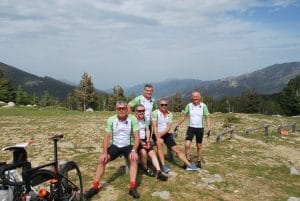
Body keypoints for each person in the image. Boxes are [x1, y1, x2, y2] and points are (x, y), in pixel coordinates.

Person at [85, 101, 141, 199]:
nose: (121, 110)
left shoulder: (132, 119)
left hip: (128, 145)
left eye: (123, 108)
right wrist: (104, 152)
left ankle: (132, 188)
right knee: (102, 160)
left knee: (134, 160)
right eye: (119, 109)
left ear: (127, 109)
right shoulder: (111, 119)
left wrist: (134, 151)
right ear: (116, 110)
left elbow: (137, 137)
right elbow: (106, 137)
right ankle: (95, 187)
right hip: (115, 146)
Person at [151, 98, 198, 173]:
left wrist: (162, 134)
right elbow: (154, 126)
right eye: (162, 105)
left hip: (166, 134)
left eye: (165, 105)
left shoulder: (170, 114)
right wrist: (157, 137)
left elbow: (168, 127)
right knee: (160, 145)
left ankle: (189, 165)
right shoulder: (155, 113)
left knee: (177, 149)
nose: (164, 106)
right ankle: (163, 166)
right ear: (159, 106)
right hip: (156, 133)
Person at [174, 90, 212, 168]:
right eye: (193, 96)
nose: (195, 98)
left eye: (196, 96)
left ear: (199, 97)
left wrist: (209, 128)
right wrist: (177, 125)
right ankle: (187, 161)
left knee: (199, 145)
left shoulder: (203, 106)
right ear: (191, 97)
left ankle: (198, 161)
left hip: (200, 128)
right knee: (187, 144)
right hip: (191, 128)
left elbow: (207, 117)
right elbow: (184, 116)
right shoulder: (189, 106)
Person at [135, 104, 168, 181]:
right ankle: (145, 168)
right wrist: (141, 142)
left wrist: (148, 140)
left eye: (143, 111)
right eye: (139, 111)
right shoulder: (133, 120)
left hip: (144, 140)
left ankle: (159, 171)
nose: (141, 112)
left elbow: (147, 130)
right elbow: (133, 134)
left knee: (152, 153)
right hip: (136, 141)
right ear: (136, 111)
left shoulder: (145, 119)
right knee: (143, 152)